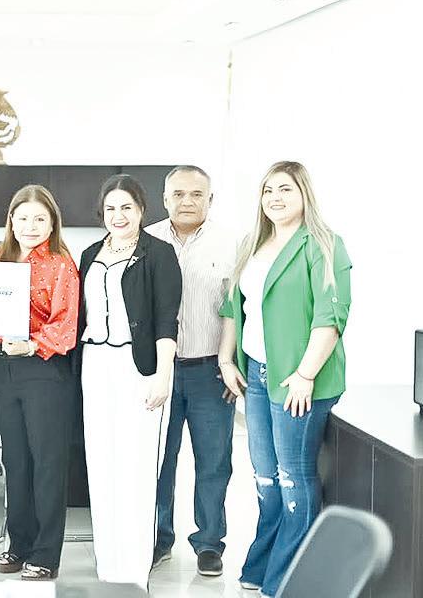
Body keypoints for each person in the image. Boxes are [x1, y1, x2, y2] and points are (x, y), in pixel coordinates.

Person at [218, 161, 351, 598]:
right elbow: (233, 306)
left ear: (304, 194)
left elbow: (330, 317)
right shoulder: (253, 244)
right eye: (268, 190)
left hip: (297, 381)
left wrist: (305, 374)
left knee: (294, 477)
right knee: (265, 478)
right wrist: (226, 358)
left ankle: (290, 578)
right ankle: (263, 565)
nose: (275, 198)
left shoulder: (323, 245)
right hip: (256, 374)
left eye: (285, 190)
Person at [77, 173, 182, 588]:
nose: (118, 216)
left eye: (126, 207)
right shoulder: (89, 254)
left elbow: (166, 320)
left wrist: (163, 375)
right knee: (101, 462)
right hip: (94, 364)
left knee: (137, 467)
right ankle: (109, 566)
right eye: (110, 208)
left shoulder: (159, 253)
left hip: (139, 369)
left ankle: (135, 571)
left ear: (141, 210)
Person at [148, 166, 236, 577]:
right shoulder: (146, 240)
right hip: (158, 373)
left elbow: (239, 310)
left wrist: (232, 365)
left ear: (210, 199)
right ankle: (158, 538)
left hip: (210, 372)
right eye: (179, 194)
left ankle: (209, 543)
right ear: (165, 198)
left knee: (214, 462)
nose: (187, 201)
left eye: (197, 194)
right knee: (159, 461)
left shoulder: (232, 244)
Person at [0, 185, 79, 581]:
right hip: (6, 370)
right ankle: (19, 544)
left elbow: (66, 325)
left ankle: (45, 553)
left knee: (47, 464)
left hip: (45, 370)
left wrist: (31, 344)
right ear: (11, 221)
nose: (30, 226)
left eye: (40, 218)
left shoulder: (61, 264)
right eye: (23, 218)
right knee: (16, 461)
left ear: (52, 223)